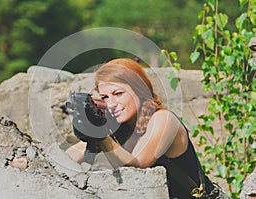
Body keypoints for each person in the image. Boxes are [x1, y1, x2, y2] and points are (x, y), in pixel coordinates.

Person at [66, 58, 228, 199]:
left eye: (118, 93)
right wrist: (87, 132)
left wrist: (101, 136)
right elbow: (72, 156)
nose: (112, 103)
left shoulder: (164, 120)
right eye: (105, 97)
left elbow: (139, 163)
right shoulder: (119, 128)